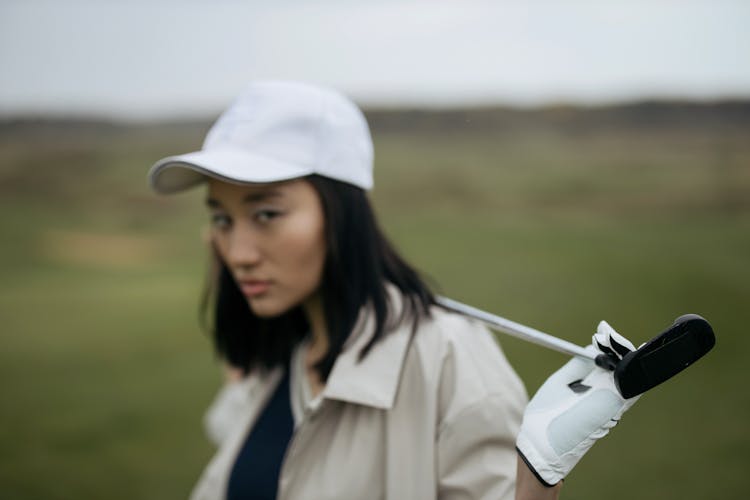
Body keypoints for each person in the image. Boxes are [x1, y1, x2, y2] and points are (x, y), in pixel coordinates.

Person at [148, 81, 640, 500]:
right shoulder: (280, 352)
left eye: (266, 214)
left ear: (341, 212)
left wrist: (534, 477)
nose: (237, 252)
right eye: (221, 218)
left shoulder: (448, 355)